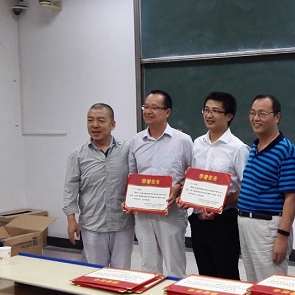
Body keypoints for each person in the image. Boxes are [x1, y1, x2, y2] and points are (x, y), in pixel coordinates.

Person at [179, 92, 249, 280]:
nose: (209, 115)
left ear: (229, 116)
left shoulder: (238, 148)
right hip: (198, 220)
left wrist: (221, 204)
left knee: (226, 275)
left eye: (216, 111)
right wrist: (186, 196)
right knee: (205, 276)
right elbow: (192, 179)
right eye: (206, 110)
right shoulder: (197, 144)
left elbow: (246, 187)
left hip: (224, 222)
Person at [128, 90, 192, 277]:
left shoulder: (182, 141)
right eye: (146, 107)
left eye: (154, 107)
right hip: (143, 213)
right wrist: (129, 199)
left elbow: (192, 175)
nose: (148, 111)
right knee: (149, 267)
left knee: (175, 266)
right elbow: (132, 175)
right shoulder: (136, 141)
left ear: (167, 112)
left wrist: (178, 188)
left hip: (171, 213)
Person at [236, 94, 295, 282]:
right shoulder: (255, 146)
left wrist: (282, 236)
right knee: (253, 285)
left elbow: (292, 197)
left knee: (271, 286)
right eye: (252, 113)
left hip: (267, 228)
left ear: (277, 117)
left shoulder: (286, 150)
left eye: (262, 113)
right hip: (246, 225)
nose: (255, 118)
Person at [62, 103, 135, 268]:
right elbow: (70, 189)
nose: (94, 125)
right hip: (92, 224)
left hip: (122, 224)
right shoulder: (78, 154)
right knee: (95, 273)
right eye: (90, 120)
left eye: (101, 120)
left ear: (113, 124)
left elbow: (139, 176)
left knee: (121, 272)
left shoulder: (127, 150)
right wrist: (71, 220)